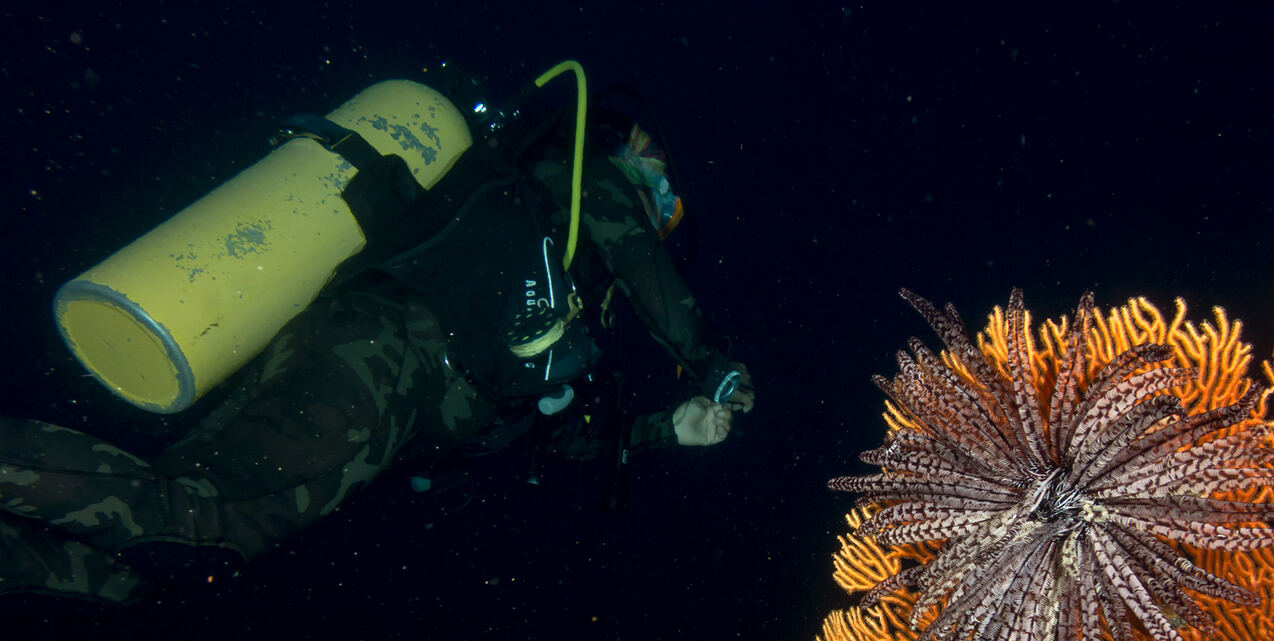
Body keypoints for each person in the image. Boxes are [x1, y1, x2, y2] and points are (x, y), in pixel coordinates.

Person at [0, 73, 754, 604]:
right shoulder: (582, 182)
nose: (659, 204)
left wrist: (667, 431)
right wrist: (714, 363)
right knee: (194, 519)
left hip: (377, 373)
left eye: (669, 205)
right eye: (657, 182)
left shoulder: (558, 290)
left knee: (183, 556)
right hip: (392, 350)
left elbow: (546, 434)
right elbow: (647, 269)